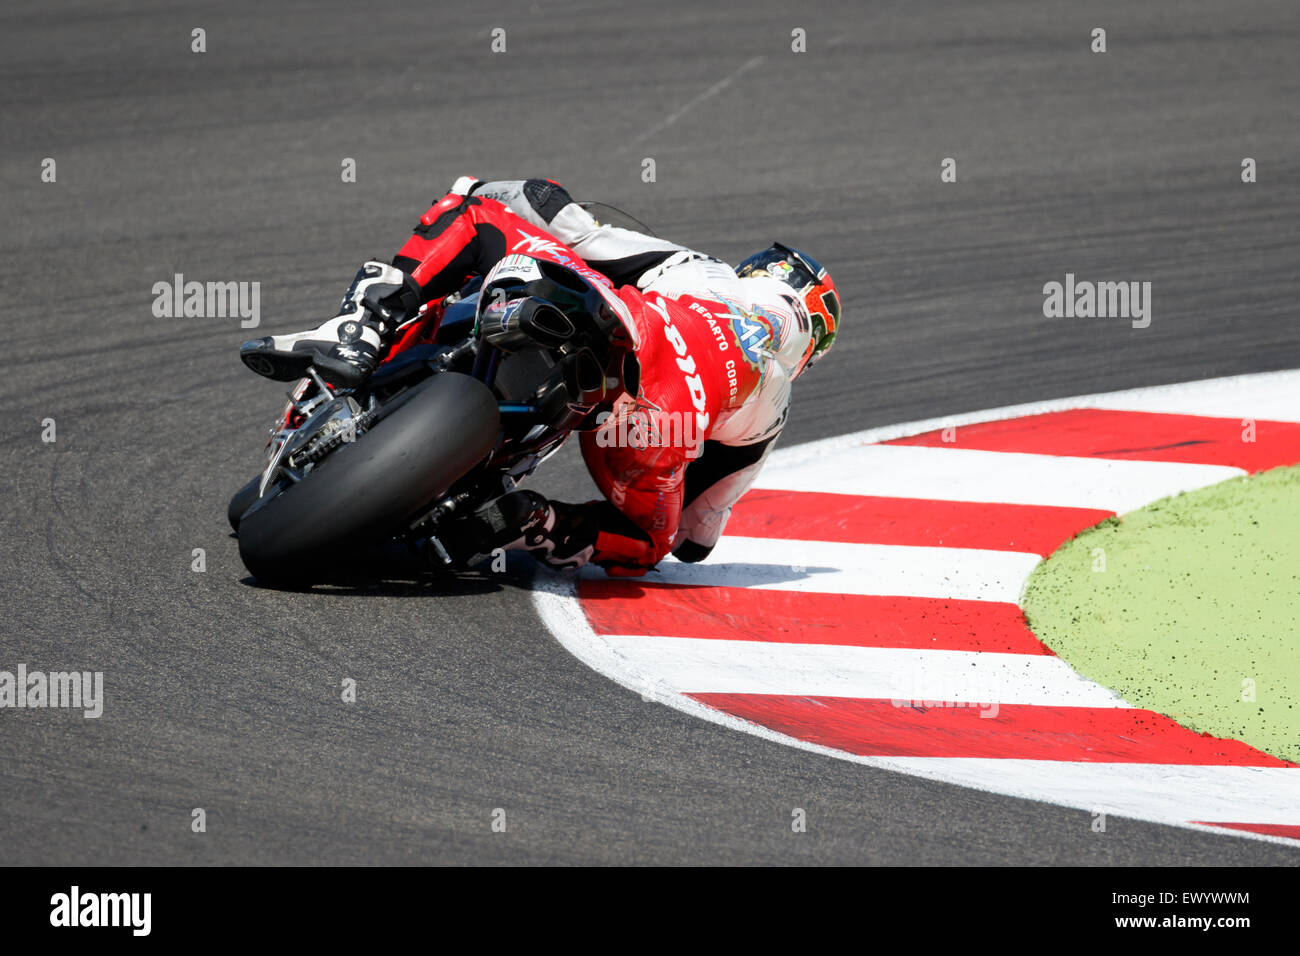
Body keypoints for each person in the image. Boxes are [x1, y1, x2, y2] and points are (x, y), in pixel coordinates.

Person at [240, 177, 841, 576]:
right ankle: (536, 522)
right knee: (647, 544)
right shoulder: (775, 406)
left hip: (626, 322)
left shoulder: (706, 273)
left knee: (477, 216)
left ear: (761, 274)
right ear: (810, 347)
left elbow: (577, 229)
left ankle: (361, 324)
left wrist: (502, 189)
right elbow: (694, 538)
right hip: (655, 422)